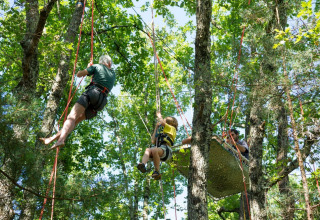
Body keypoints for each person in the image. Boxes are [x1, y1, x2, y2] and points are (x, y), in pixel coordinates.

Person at [40, 55, 116, 150]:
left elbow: (79, 74)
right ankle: (51, 139)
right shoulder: (113, 74)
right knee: (74, 122)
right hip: (101, 102)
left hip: (93, 93)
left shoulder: (97, 66)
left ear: (101, 62)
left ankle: (60, 140)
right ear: (109, 63)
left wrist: (89, 68)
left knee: (71, 118)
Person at [137, 112, 178, 180]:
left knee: (154, 149)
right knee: (148, 149)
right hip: (159, 150)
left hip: (166, 150)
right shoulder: (161, 132)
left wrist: (159, 116)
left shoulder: (172, 129)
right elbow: (153, 141)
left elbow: (162, 122)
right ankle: (143, 165)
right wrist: (156, 128)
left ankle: (157, 171)